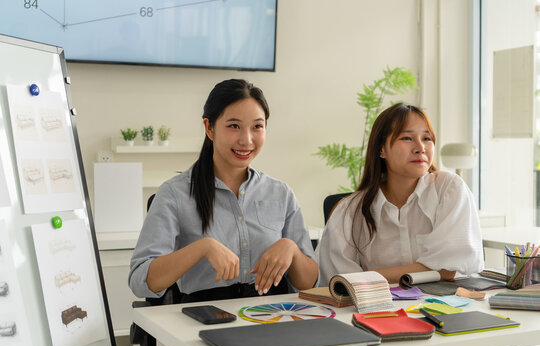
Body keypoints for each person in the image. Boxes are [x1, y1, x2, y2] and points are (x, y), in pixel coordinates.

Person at [129, 79, 318, 302]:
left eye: (257, 126)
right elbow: (140, 281)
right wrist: (202, 247)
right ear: (209, 128)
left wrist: (291, 248)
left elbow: (309, 283)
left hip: (271, 317)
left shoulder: (281, 193)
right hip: (204, 316)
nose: (246, 140)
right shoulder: (174, 194)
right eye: (234, 126)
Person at [316, 103, 484, 286]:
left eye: (427, 138)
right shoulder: (349, 211)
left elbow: (448, 269)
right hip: (378, 310)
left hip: (448, 307)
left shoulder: (449, 189)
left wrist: (366, 277)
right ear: (381, 149)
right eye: (407, 138)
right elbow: (339, 283)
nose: (420, 147)